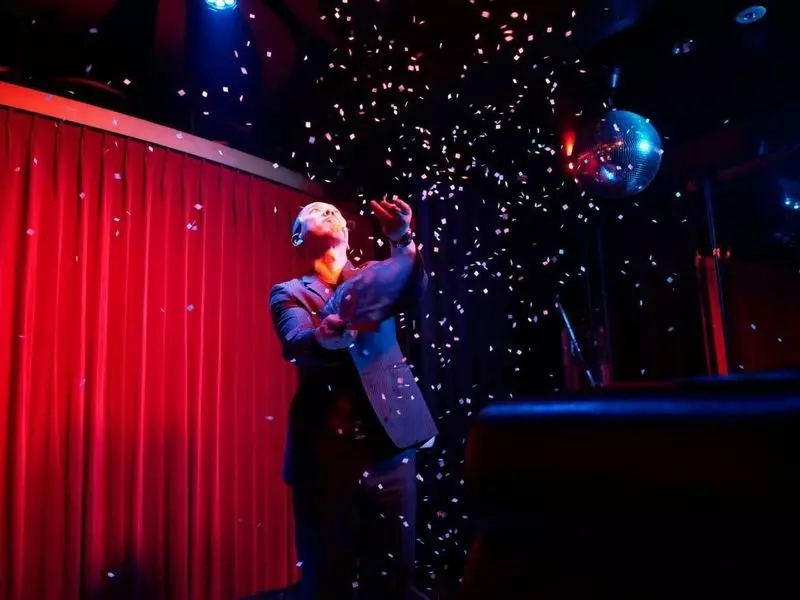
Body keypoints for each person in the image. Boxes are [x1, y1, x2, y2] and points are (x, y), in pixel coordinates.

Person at [269, 198, 438, 600]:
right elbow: (296, 340)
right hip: (325, 459)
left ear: (347, 234)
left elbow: (414, 288)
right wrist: (323, 337)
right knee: (328, 581)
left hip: (390, 451)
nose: (328, 212)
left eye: (334, 212)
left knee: (394, 579)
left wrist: (402, 238)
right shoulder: (289, 292)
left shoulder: (375, 276)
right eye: (315, 211)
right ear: (298, 238)